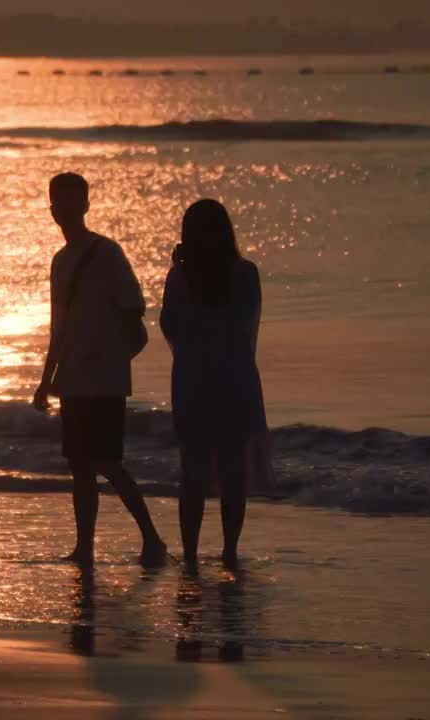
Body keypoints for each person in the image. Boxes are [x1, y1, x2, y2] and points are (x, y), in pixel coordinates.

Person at [34, 172, 168, 568]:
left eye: (74, 203)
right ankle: (85, 548)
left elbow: (133, 310)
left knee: (108, 464)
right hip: (73, 380)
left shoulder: (107, 253)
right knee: (80, 468)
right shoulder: (60, 261)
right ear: (52, 208)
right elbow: (58, 325)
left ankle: (152, 540)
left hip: (105, 381)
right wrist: (46, 381)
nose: (66, 210)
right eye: (59, 203)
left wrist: (111, 358)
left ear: (86, 207)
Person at [160, 199, 268, 571]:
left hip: (193, 381)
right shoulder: (245, 273)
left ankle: (190, 553)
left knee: (194, 469)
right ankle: (229, 551)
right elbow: (246, 324)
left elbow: (169, 326)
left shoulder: (180, 278)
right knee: (232, 468)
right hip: (234, 381)